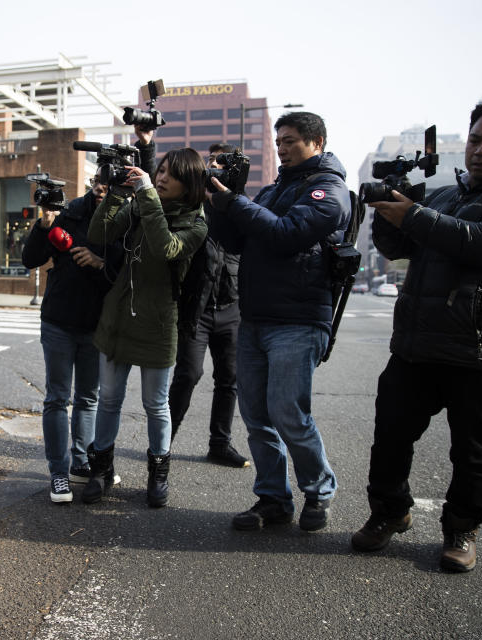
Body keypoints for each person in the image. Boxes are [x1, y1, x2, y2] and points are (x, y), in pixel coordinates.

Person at [351, 93, 482, 572]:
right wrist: (387, 210)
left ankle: (461, 529)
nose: (481, 150)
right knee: (391, 439)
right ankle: (390, 512)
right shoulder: (443, 195)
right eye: (476, 140)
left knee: (472, 452)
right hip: (416, 347)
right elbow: (399, 246)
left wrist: (415, 216)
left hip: (481, 352)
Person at [207, 112, 351, 532]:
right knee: (256, 416)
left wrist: (237, 203)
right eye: (278, 141)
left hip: (300, 319)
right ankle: (272, 498)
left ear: (317, 142)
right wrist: (219, 202)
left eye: (289, 141)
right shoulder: (273, 189)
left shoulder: (329, 189)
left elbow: (288, 234)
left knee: (289, 413)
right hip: (254, 318)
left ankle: (319, 491)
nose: (281, 148)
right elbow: (234, 241)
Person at [21, 128, 156, 504]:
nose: (101, 187)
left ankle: (82, 461)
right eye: (97, 180)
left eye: (108, 182)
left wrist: (100, 262)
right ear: (91, 182)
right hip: (60, 321)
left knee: (88, 399)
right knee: (57, 398)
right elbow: (31, 259)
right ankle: (58, 473)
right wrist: (44, 226)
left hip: (99, 325)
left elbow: (130, 267)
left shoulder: (126, 219)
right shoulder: (70, 213)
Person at [82, 148, 208, 508]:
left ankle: (158, 472)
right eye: (162, 170)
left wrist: (148, 193)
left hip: (158, 321)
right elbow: (99, 233)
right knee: (108, 399)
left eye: (172, 174)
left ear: (190, 183)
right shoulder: (140, 203)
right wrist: (119, 194)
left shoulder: (196, 223)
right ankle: (101, 469)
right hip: (119, 315)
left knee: (156, 404)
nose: (163, 177)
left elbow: (165, 247)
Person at [168, 142, 248, 468]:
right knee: (188, 373)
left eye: (220, 163)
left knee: (229, 379)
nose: (212, 167)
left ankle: (220, 443)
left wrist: (231, 198)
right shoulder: (193, 204)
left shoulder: (240, 206)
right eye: (209, 161)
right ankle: (163, 441)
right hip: (196, 308)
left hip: (231, 306)